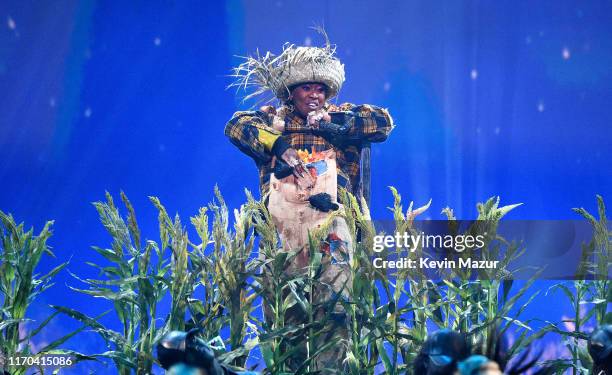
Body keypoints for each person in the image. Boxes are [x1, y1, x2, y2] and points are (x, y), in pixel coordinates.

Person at [225, 33, 394, 372]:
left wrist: (334, 125)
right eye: (306, 88)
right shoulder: (272, 119)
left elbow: (383, 122)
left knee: (335, 304)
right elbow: (236, 125)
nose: (315, 95)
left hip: (333, 227)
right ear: (291, 91)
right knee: (285, 308)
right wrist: (276, 145)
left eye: (321, 89)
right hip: (282, 229)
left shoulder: (342, 115)